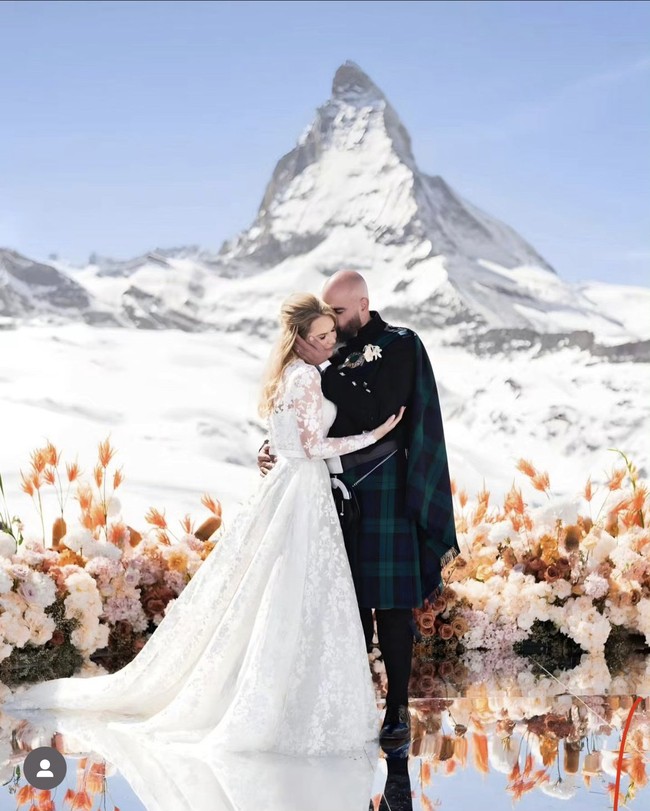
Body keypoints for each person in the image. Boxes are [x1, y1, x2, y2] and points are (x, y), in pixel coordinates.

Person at [4, 293, 406, 757]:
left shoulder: (290, 375)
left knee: (280, 592)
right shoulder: (306, 378)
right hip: (302, 488)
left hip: (290, 488)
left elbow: (288, 439)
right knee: (294, 593)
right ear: (298, 340)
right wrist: (374, 436)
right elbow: (313, 446)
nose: (330, 343)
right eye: (320, 337)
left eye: (332, 334)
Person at [259, 271, 459, 749]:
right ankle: (351, 708)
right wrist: (273, 447)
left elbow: (378, 412)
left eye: (340, 313)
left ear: (364, 304)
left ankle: (397, 713)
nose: (331, 321)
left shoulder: (400, 345)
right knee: (342, 606)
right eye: (326, 316)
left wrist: (325, 369)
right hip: (329, 490)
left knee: (390, 607)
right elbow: (307, 418)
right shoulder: (327, 350)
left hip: (384, 485)